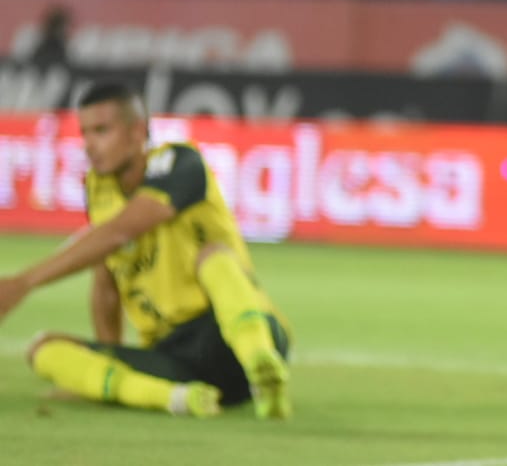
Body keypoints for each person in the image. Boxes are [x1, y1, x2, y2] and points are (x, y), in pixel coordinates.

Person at [0, 82, 292, 419]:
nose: (89, 145)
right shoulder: (98, 189)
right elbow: (106, 279)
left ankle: (261, 366)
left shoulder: (181, 164)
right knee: (43, 349)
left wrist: (24, 282)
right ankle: (179, 399)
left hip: (232, 332)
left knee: (214, 257)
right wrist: (107, 357)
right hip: (175, 358)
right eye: (85, 133)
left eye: (102, 131)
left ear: (137, 131)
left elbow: (119, 232)